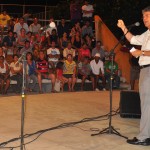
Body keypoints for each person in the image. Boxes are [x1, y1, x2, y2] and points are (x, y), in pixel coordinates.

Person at [117, 6, 150, 146]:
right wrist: (123, 28)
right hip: (145, 70)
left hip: (149, 70)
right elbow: (133, 40)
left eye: (148, 15)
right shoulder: (148, 33)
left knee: (146, 105)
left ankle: (144, 137)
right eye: (143, 16)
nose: (144, 19)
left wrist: (141, 53)